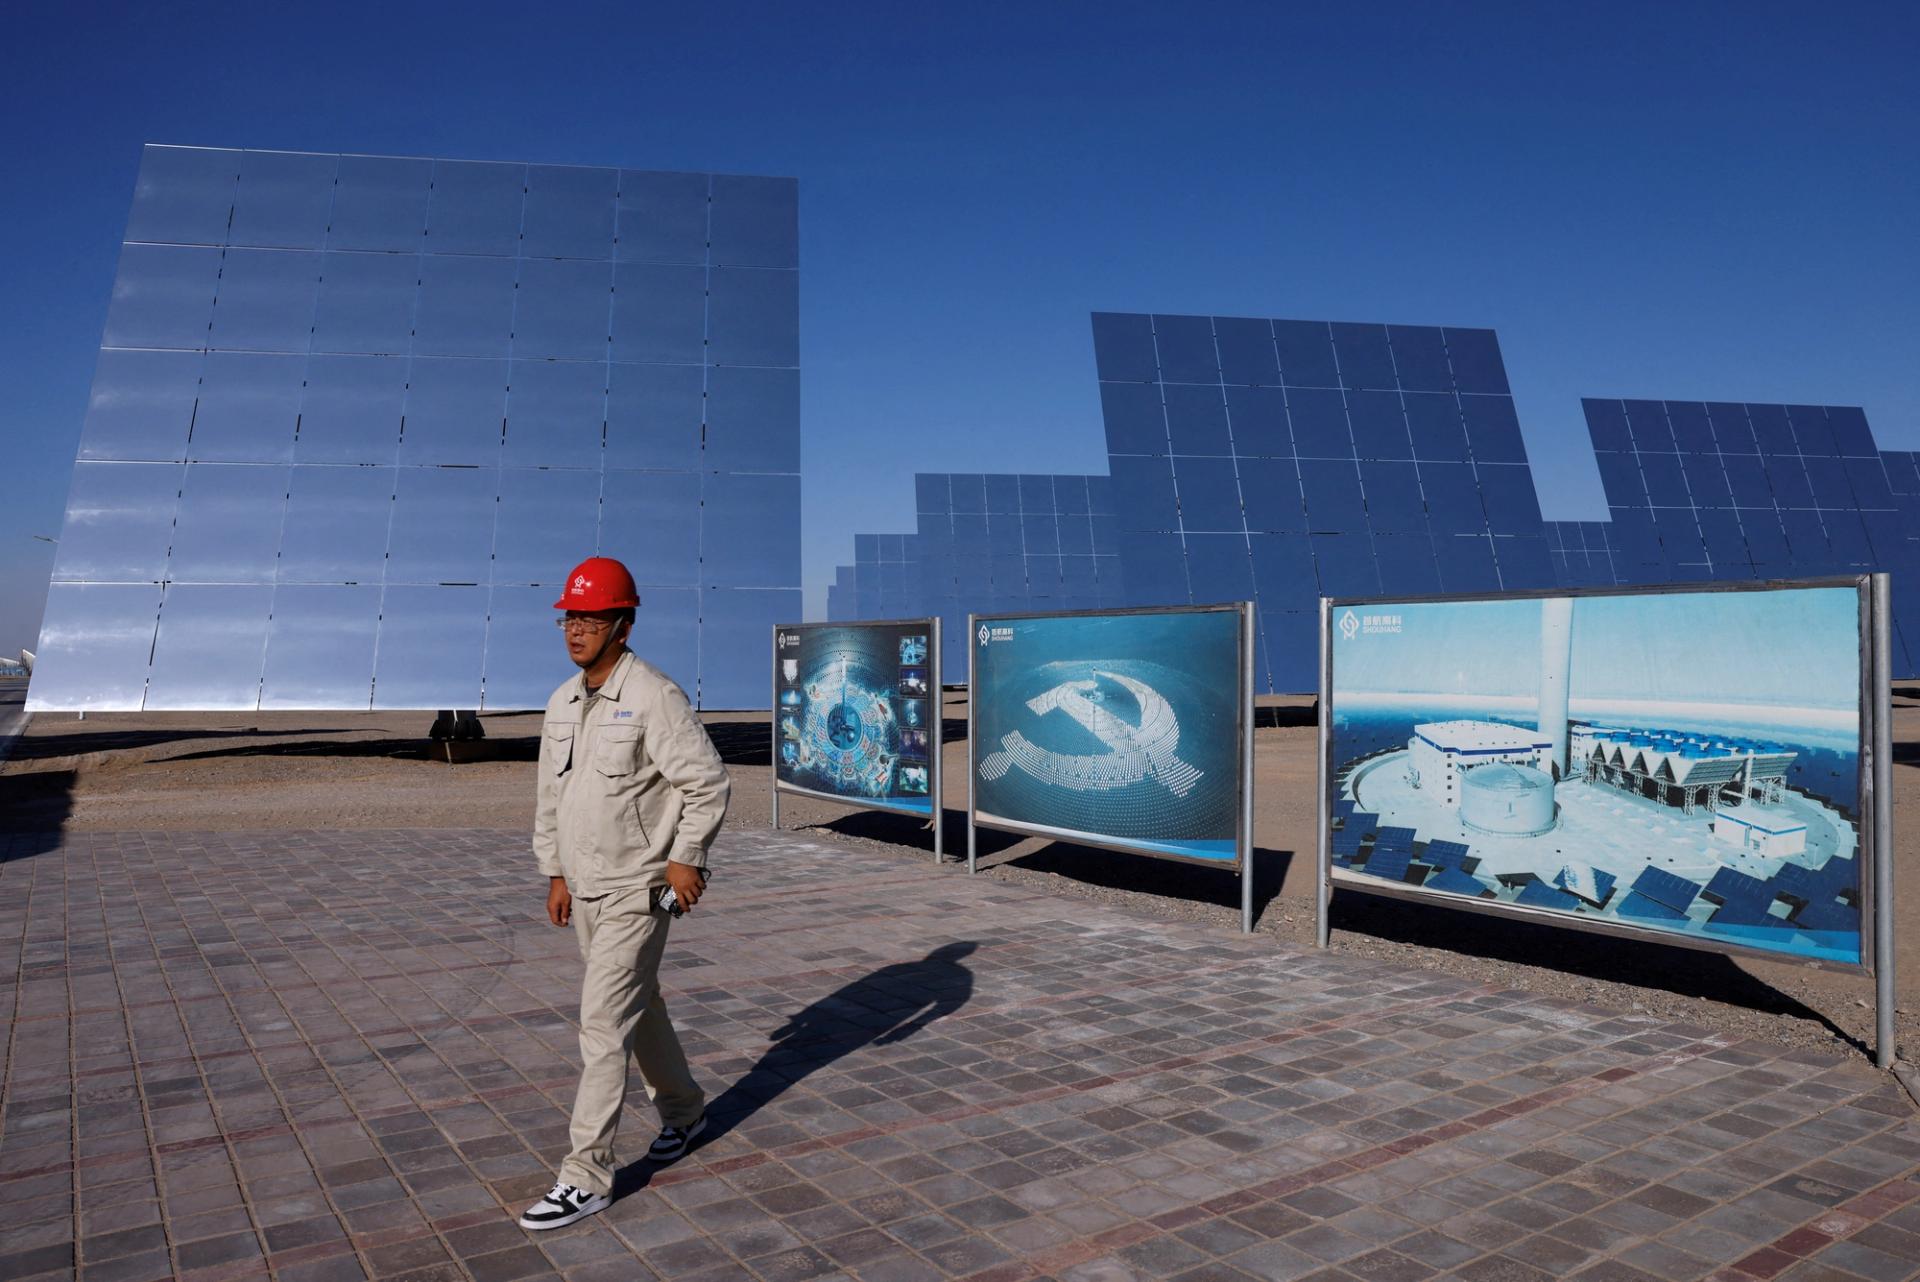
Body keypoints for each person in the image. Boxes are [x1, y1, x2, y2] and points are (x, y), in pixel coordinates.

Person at [518, 556, 731, 1231]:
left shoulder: (654, 696)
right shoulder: (561, 701)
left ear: (623, 622)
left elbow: (707, 784)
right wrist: (554, 871)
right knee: (641, 1004)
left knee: (603, 1026)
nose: (575, 629)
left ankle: (586, 1176)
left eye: (591, 617)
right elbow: (551, 796)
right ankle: (686, 1112)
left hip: (641, 890)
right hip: (585, 890)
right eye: (569, 616)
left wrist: (685, 859)